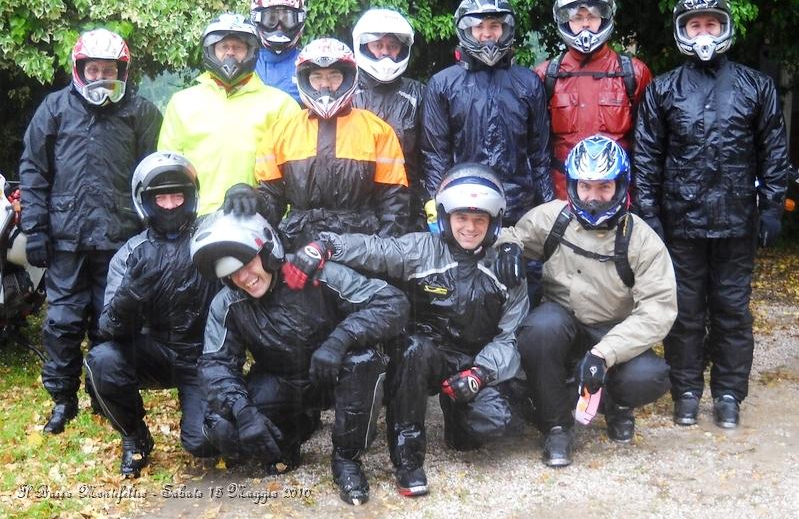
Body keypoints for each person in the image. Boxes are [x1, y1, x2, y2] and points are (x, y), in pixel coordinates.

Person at [283, 163, 529, 497]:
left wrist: (481, 374)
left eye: (479, 220)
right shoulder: (423, 249)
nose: (469, 228)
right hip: (422, 354)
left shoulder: (506, 268)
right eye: (461, 218)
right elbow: (376, 250)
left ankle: (458, 415)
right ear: (445, 217)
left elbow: (509, 336)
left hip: (473, 362)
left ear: (493, 222)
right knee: (415, 349)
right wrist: (325, 246)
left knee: (494, 425)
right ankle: (408, 459)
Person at [634, 0, 789, 429]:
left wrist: (772, 205)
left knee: (732, 311)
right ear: (683, 31)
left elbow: (773, 151)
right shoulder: (663, 90)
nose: (704, 33)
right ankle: (685, 391)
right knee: (684, 312)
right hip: (681, 225)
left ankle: (728, 393)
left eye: (711, 24)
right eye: (695, 25)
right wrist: (651, 216)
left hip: (737, 222)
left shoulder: (755, 86)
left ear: (724, 27)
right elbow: (646, 159)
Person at [190, 210, 408, 505]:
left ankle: (347, 459)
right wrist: (243, 411)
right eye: (231, 272)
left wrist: (340, 340)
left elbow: (393, 303)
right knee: (219, 425)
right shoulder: (228, 301)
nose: (243, 278)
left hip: (332, 373)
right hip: (281, 380)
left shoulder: (314, 274)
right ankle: (290, 436)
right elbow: (215, 364)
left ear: (268, 252)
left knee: (364, 361)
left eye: (247, 263)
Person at [495, 135, 676, 467]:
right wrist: (509, 246)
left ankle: (614, 404)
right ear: (573, 186)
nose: (594, 198)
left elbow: (658, 311)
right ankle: (556, 427)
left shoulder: (642, 240)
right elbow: (510, 233)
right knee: (538, 330)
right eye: (585, 187)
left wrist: (604, 355)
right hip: (562, 323)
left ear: (621, 186)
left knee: (650, 375)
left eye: (604, 187)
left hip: (612, 333)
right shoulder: (553, 217)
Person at [19, 28, 161, 435]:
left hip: (119, 238)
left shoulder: (140, 112)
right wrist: (36, 228)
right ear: (79, 68)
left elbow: (153, 177)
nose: (101, 76)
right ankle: (62, 400)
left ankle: (103, 392)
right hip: (66, 238)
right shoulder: (55, 108)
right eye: (93, 68)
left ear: (123, 69)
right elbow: (33, 169)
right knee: (62, 322)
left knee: (110, 321)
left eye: (109, 69)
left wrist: (151, 232)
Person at [85, 152, 219, 476]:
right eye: (162, 196)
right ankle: (135, 435)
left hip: (205, 356)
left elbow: (248, 228)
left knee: (205, 443)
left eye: (178, 195)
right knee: (101, 360)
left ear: (191, 197)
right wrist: (130, 294)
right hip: (156, 351)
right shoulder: (130, 253)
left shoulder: (211, 235)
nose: (171, 204)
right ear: (145, 201)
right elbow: (109, 328)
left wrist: (250, 200)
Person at [227, 37, 409, 250]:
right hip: (298, 245)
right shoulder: (280, 131)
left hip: (360, 246)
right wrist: (252, 196)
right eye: (316, 77)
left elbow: (394, 205)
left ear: (349, 78)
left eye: (334, 76)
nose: (325, 85)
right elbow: (272, 202)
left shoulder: (377, 131)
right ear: (304, 80)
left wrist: (381, 256)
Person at [421, 0, 553, 229]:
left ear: (505, 29)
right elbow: (435, 155)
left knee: (519, 266)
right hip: (465, 208)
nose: (487, 34)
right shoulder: (443, 84)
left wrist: (547, 206)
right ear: (466, 30)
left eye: (494, 26)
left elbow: (540, 154)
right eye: (479, 27)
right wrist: (435, 205)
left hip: (518, 207)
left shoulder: (528, 82)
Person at [158, 12, 299, 215]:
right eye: (224, 47)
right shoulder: (181, 102)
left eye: (238, 47)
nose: (230, 53)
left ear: (251, 52)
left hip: (257, 219)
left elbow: (294, 176)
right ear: (210, 50)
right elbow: (169, 171)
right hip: (194, 220)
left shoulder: (281, 104)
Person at [535, 0, 652, 200]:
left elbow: (647, 145)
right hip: (563, 195)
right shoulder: (545, 75)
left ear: (604, 19)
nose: (585, 25)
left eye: (592, 17)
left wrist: (642, 199)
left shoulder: (633, 73)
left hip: (617, 192)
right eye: (578, 18)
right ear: (566, 22)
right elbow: (537, 147)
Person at [352, 8, 427, 230]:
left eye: (392, 46)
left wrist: (425, 208)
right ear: (364, 46)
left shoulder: (417, 94)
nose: (385, 53)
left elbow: (430, 155)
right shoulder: (345, 93)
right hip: (356, 208)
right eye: (378, 45)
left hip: (406, 206)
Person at [250, 0, 306, 103]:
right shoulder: (245, 63)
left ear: (299, 20)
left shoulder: (307, 64)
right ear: (257, 19)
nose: (279, 27)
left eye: (287, 19)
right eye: (271, 19)